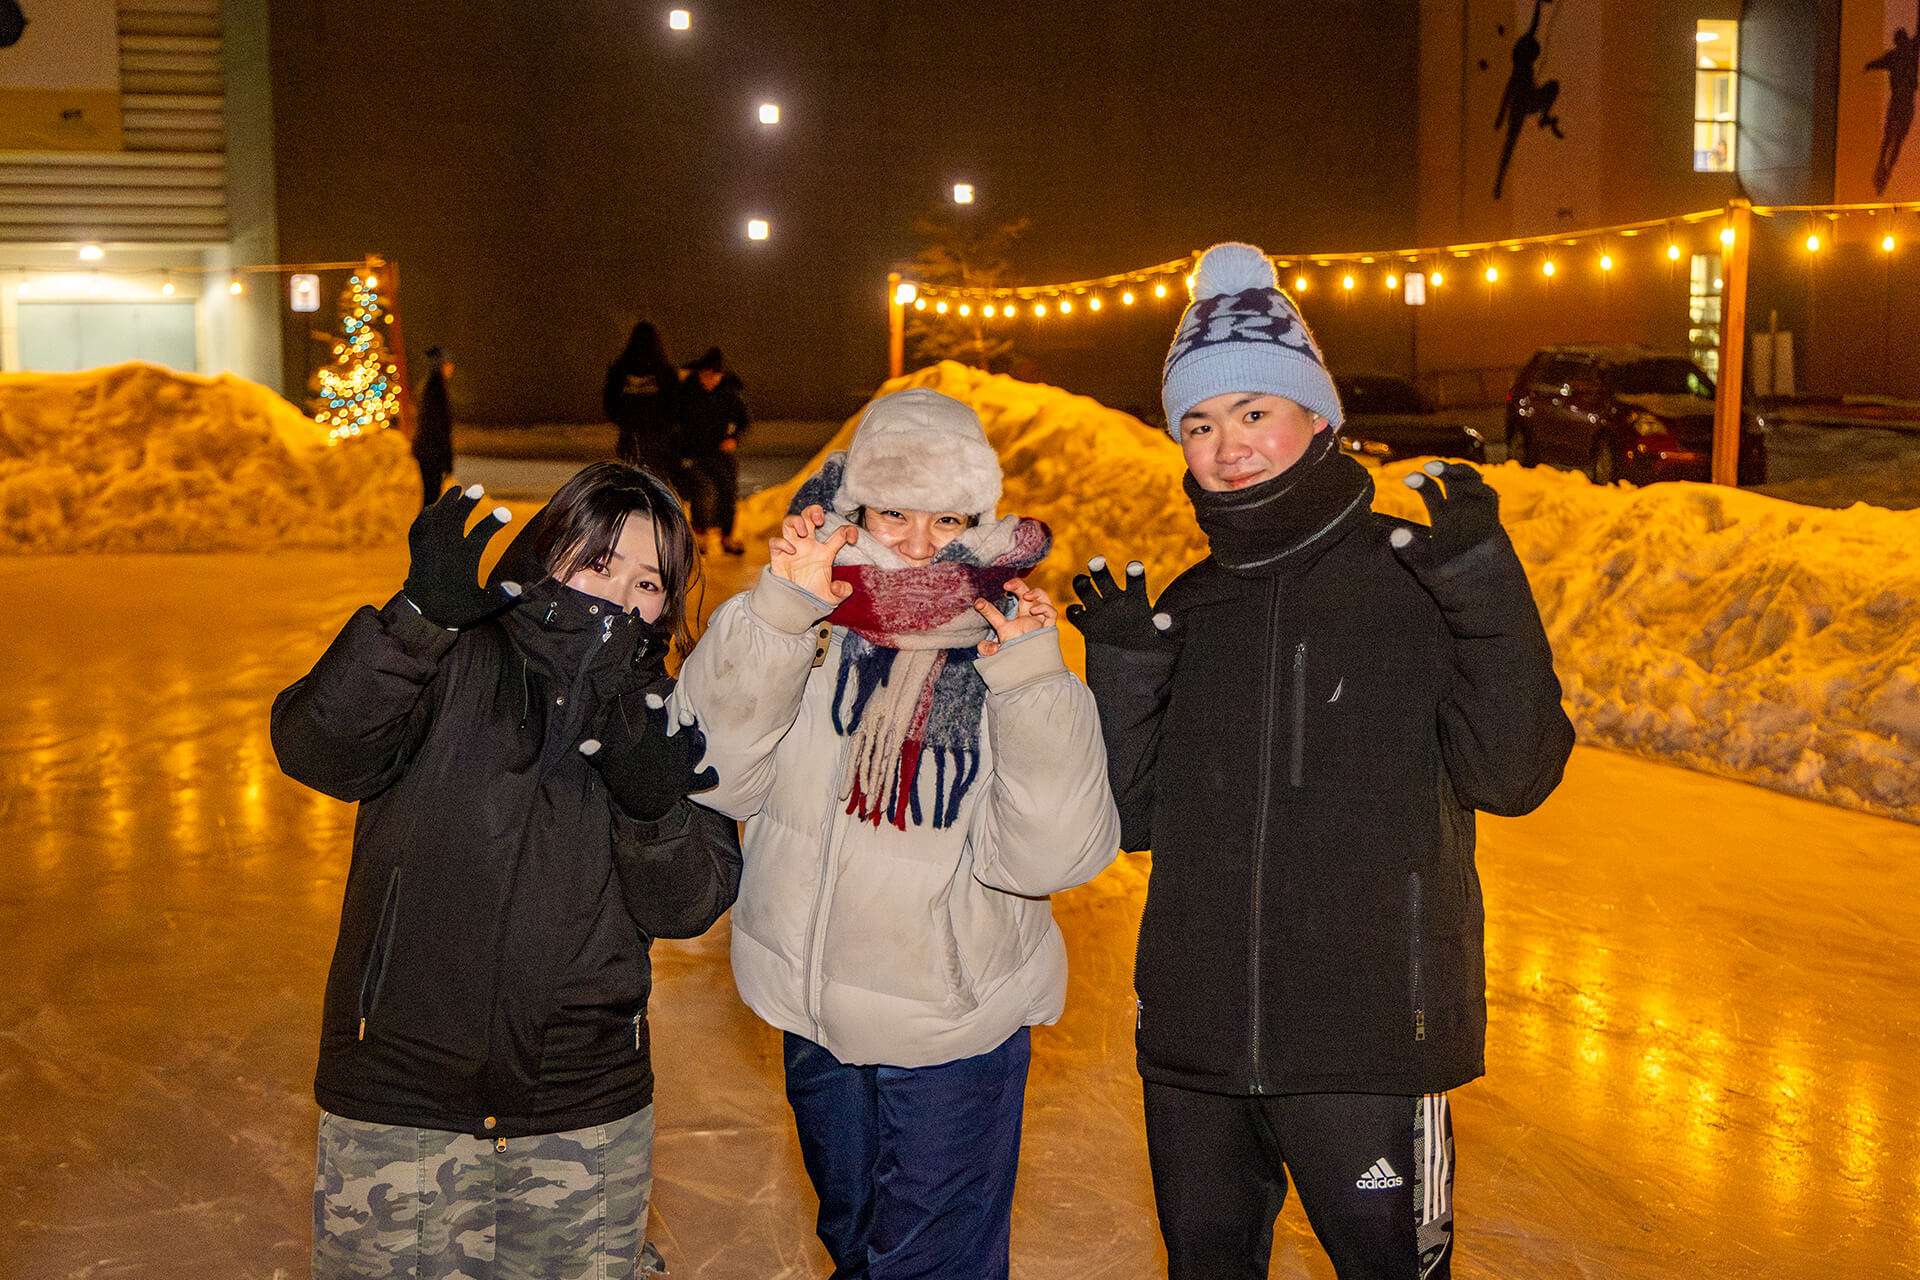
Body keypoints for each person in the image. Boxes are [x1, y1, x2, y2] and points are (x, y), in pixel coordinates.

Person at [1067, 242, 1574, 1280]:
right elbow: (1131, 817)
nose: (1227, 447)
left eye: (1254, 411)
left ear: (1319, 417)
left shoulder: (1412, 578)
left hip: (1370, 1044)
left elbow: (1514, 774)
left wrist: (1484, 587)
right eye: (1200, 425)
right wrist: (1123, 670)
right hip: (1197, 1049)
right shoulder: (1193, 607)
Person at [671, 388, 1120, 1279]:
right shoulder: (805, 618)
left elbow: (1052, 856)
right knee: (854, 1247)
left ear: (979, 519)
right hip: (815, 1012)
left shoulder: (1007, 633)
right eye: (894, 513)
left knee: (932, 1266)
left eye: (947, 518)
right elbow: (712, 772)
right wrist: (778, 615)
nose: (918, 544)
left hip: (954, 1027)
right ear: (855, 507)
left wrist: (1032, 680)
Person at [270, 462, 742, 1280]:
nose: (619, 596)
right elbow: (320, 749)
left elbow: (689, 903)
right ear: (549, 551)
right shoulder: (452, 654)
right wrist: (416, 620)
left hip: (581, 1110)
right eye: (599, 563)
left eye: (647, 582)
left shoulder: (665, 718)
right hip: (402, 1098)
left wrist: (652, 810)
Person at [674, 346, 751, 555]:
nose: (709, 380)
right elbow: (674, 420)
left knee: (728, 492)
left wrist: (734, 439)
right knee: (702, 492)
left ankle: (727, 536)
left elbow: (744, 420)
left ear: (721, 375)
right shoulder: (688, 393)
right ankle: (700, 536)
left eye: (714, 375)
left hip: (721, 453)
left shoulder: (730, 395)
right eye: (705, 375)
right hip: (694, 452)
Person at [604, 321, 682, 477]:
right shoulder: (665, 372)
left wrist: (621, 421)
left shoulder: (620, 369)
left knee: (628, 473)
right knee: (655, 476)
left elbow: (610, 399)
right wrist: (666, 425)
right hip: (657, 435)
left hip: (630, 433)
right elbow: (675, 402)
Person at [412, 345, 456, 508]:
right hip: (432, 453)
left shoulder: (431, 387)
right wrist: (446, 458)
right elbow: (439, 427)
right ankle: (424, 524)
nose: (451, 368)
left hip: (427, 451)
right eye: (448, 364)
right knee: (431, 497)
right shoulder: (436, 391)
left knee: (430, 496)